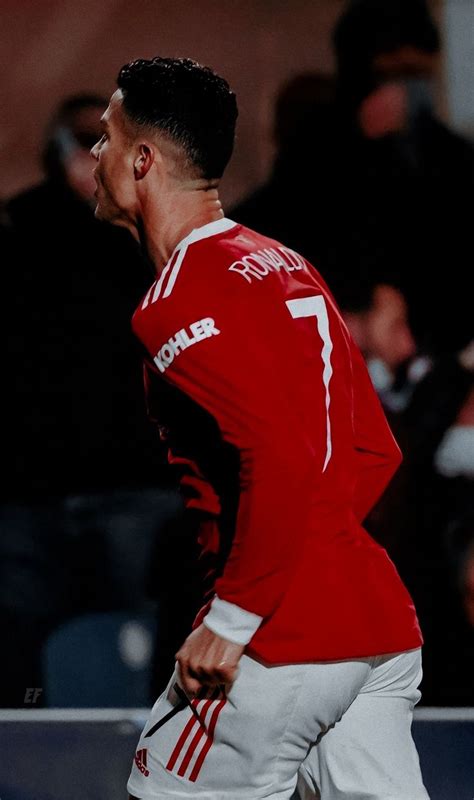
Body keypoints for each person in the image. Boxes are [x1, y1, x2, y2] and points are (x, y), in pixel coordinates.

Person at [91, 57, 428, 800]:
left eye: (106, 138)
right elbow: (376, 448)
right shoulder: (284, 262)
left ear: (142, 160)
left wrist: (236, 618)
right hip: (377, 624)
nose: (94, 154)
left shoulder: (176, 299)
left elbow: (277, 450)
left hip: (283, 639)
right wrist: (323, 551)